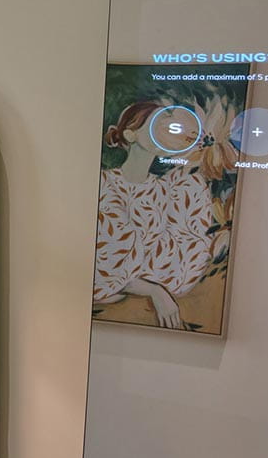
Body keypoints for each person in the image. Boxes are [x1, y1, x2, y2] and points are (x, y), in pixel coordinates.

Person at [93, 100, 227, 330]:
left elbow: (174, 252)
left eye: (169, 125)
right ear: (131, 134)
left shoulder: (171, 189)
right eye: (157, 123)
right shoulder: (105, 185)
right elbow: (104, 259)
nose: (166, 131)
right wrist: (154, 291)